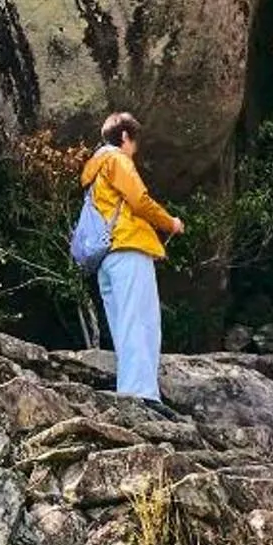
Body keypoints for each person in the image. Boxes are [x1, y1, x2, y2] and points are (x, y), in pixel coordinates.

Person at [83, 112, 182, 403]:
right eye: (134, 142)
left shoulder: (95, 169)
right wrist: (170, 223)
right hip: (127, 248)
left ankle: (130, 392)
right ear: (125, 136)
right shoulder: (117, 159)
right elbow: (139, 200)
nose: (135, 149)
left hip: (106, 257)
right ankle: (143, 395)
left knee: (123, 324)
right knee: (141, 321)